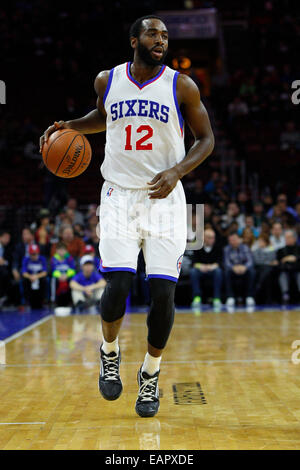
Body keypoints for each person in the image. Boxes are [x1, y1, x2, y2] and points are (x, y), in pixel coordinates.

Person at [40, 15, 214, 417]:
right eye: (153, 34)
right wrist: (69, 126)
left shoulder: (181, 85)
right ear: (134, 39)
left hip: (165, 196)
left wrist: (177, 171)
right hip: (118, 193)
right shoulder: (108, 79)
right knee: (117, 284)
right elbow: (104, 118)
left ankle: (150, 374)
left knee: (164, 293)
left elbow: (207, 139)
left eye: (166, 35)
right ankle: (110, 351)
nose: (161, 40)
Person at [190, 228, 223, 312]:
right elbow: (193, 262)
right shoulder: (197, 246)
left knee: (218, 271)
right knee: (193, 271)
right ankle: (197, 297)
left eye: (213, 237)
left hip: (213, 269)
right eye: (209, 237)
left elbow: (220, 262)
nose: (212, 240)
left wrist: (211, 266)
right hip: (201, 269)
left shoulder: (217, 247)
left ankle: (216, 298)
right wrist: (201, 266)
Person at [223, 232, 256, 311]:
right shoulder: (226, 249)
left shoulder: (245, 248)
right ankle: (230, 297)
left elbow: (250, 261)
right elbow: (226, 262)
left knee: (252, 271)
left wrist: (245, 267)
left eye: (234, 240)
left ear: (239, 240)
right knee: (226, 272)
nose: (233, 242)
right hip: (232, 270)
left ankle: (249, 296)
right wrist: (233, 267)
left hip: (244, 269)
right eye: (231, 240)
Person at [252, 233, 278, 304]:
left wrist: (267, 262)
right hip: (259, 268)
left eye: (262, 241)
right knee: (267, 270)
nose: (260, 243)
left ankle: (259, 285)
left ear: (266, 242)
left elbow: (274, 259)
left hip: (269, 270)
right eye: (259, 241)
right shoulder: (256, 250)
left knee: (268, 271)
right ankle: (261, 288)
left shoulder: (271, 249)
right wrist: (268, 262)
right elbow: (257, 261)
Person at [277, 230, 300, 306]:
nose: (287, 239)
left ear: (295, 238)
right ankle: (285, 294)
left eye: (289, 237)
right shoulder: (280, 250)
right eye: (286, 238)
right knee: (283, 274)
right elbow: (279, 263)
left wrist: (295, 258)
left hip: (298, 270)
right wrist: (286, 259)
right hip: (285, 270)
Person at [50, 242, 76, 307]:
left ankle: (72, 301)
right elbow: (53, 270)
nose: (61, 252)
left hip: (67, 276)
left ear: (66, 251)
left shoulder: (70, 258)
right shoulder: (54, 259)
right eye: (60, 250)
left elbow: (72, 269)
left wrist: (66, 276)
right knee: (53, 280)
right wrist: (59, 276)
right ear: (56, 251)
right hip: (58, 277)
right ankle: (53, 300)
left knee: (73, 280)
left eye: (63, 250)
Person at [21, 244, 47, 309]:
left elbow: (44, 272)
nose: (34, 256)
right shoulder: (26, 259)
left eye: (35, 254)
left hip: (39, 277)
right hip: (30, 278)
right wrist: (30, 277)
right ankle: (27, 301)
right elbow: (24, 273)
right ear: (29, 254)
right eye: (32, 254)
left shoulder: (42, 259)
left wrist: (36, 276)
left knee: (44, 280)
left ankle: (42, 301)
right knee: (25, 281)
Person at [0, 230, 12, 309]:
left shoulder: (7, 248)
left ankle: (2, 297)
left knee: (5, 273)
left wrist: (3, 262)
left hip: (2, 270)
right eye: (6, 238)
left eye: (9, 238)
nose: (8, 240)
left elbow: (7, 261)